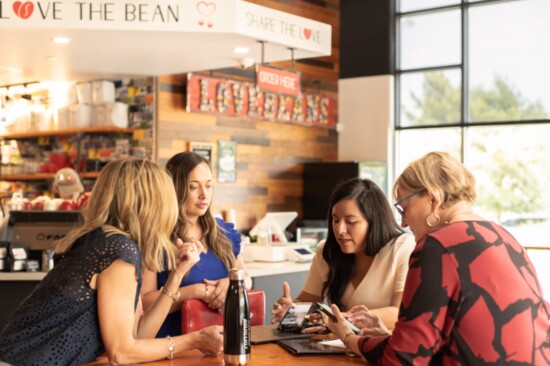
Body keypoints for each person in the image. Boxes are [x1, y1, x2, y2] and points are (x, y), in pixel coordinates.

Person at [326, 152, 550, 364]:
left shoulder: (437, 246)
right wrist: (388, 336)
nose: (403, 222)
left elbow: (402, 360)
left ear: (432, 198)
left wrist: (349, 338)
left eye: (404, 209)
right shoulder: (504, 237)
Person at [0, 158, 223, 365]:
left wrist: (176, 276)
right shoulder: (117, 249)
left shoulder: (112, 242)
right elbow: (122, 353)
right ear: (151, 203)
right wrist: (194, 340)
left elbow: (138, 336)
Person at [271, 178, 416, 330]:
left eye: (351, 221)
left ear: (375, 221)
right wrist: (291, 312)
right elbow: (307, 302)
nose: (340, 230)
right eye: (335, 220)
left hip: (384, 348)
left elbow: (399, 313)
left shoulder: (403, 247)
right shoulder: (327, 252)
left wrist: (335, 319)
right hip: (342, 345)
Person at [141, 152, 251, 338]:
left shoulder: (224, 233)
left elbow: (246, 277)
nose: (204, 195)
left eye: (208, 186)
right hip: (173, 346)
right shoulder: (155, 237)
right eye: (193, 187)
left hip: (222, 343)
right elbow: (145, 302)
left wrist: (232, 284)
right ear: (175, 189)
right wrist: (197, 291)